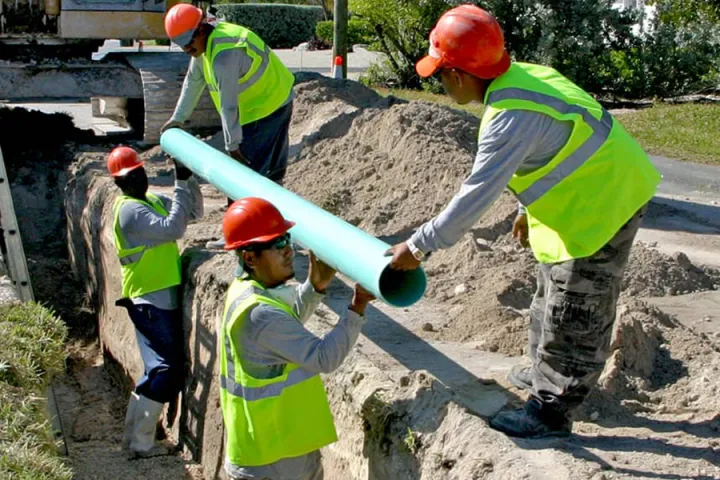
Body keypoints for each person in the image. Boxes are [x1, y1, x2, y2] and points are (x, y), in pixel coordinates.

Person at [386, 4, 661, 438]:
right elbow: (551, 144)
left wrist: (419, 246)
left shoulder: (510, 115)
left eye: (440, 74)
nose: (440, 84)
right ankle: (541, 373)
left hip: (606, 201)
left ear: (457, 74)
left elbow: (476, 194)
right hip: (584, 194)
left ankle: (551, 411)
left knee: (577, 304)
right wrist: (525, 210)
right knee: (549, 291)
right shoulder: (522, 78)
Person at [218, 197, 374, 479]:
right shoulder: (260, 313)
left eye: (286, 239)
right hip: (274, 459)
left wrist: (315, 287)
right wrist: (358, 306)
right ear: (250, 257)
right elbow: (324, 358)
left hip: (270, 449)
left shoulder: (244, 291)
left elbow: (283, 328)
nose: (288, 251)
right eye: (276, 244)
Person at [162, 4, 295, 249]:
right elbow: (193, 82)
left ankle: (246, 235)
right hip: (262, 104)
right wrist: (177, 120)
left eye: (189, 45)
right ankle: (266, 229)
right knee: (257, 172)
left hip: (268, 106)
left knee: (245, 175)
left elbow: (228, 106)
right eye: (183, 47)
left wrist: (233, 145)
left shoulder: (225, 54)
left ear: (201, 30)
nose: (188, 51)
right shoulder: (204, 49)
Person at [107, 146, 204, 458]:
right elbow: (173, 228)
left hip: (156, 295)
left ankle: (133, 441)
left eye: (138, 173)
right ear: (118, 183)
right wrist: (179, 181)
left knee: (157, 369)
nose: (136, 180)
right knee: (165, 370)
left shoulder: (148, 202)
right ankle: (140, 444)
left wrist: (189, 181)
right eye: (128, 177)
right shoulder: (130, 210)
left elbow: (191, 213)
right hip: (150, 297)